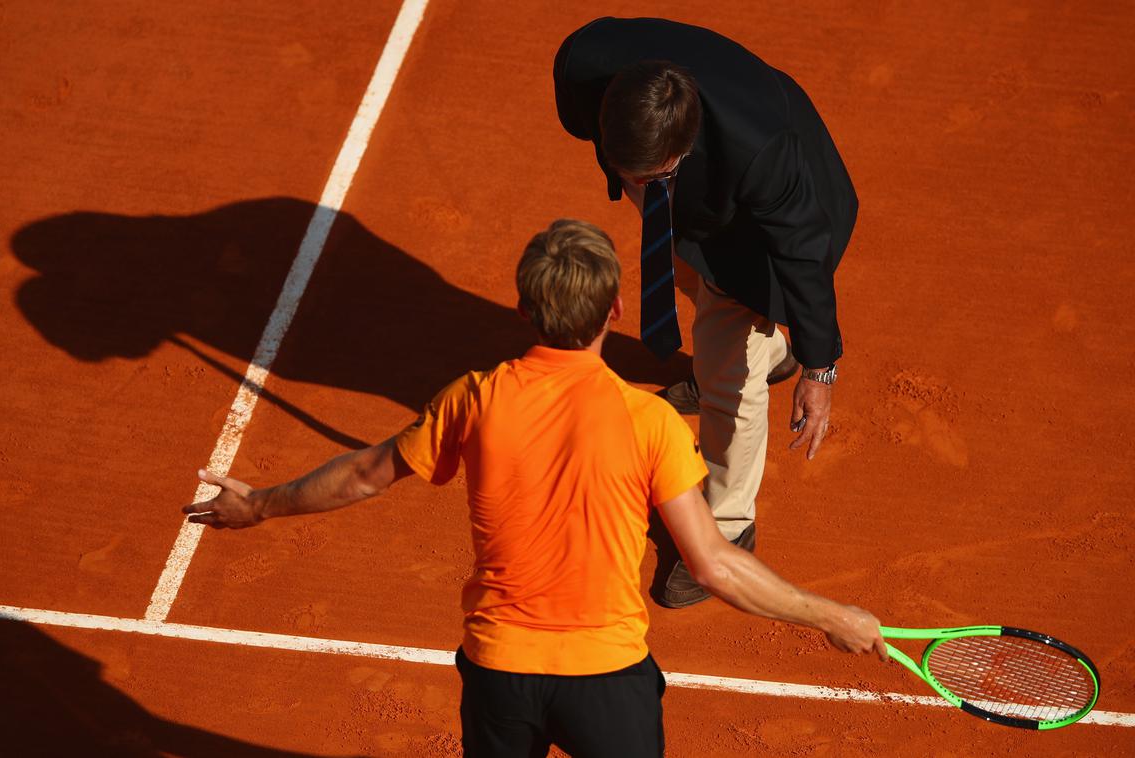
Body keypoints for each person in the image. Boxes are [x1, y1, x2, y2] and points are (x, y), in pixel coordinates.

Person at [184, 220, 886, 758]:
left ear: (525, 311)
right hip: (607, 682)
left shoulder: (476, 399)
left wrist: (257, 504)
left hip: (500, 675)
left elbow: (364, 474)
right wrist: (828, 616)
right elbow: (712, 565)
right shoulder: (654, 423)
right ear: (615, 310)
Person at [553, 17, 860, 607]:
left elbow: (802, 255)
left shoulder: (763, 155)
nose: (641, 189)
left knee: (728, 375)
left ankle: (727, 527)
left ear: (685, 150)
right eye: (629, 175)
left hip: (769, 228)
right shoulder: (585, 67)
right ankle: (773, 352)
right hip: (703, 203)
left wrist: (822, 369)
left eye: (657, 177)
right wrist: (648, 186)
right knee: (686, 272)